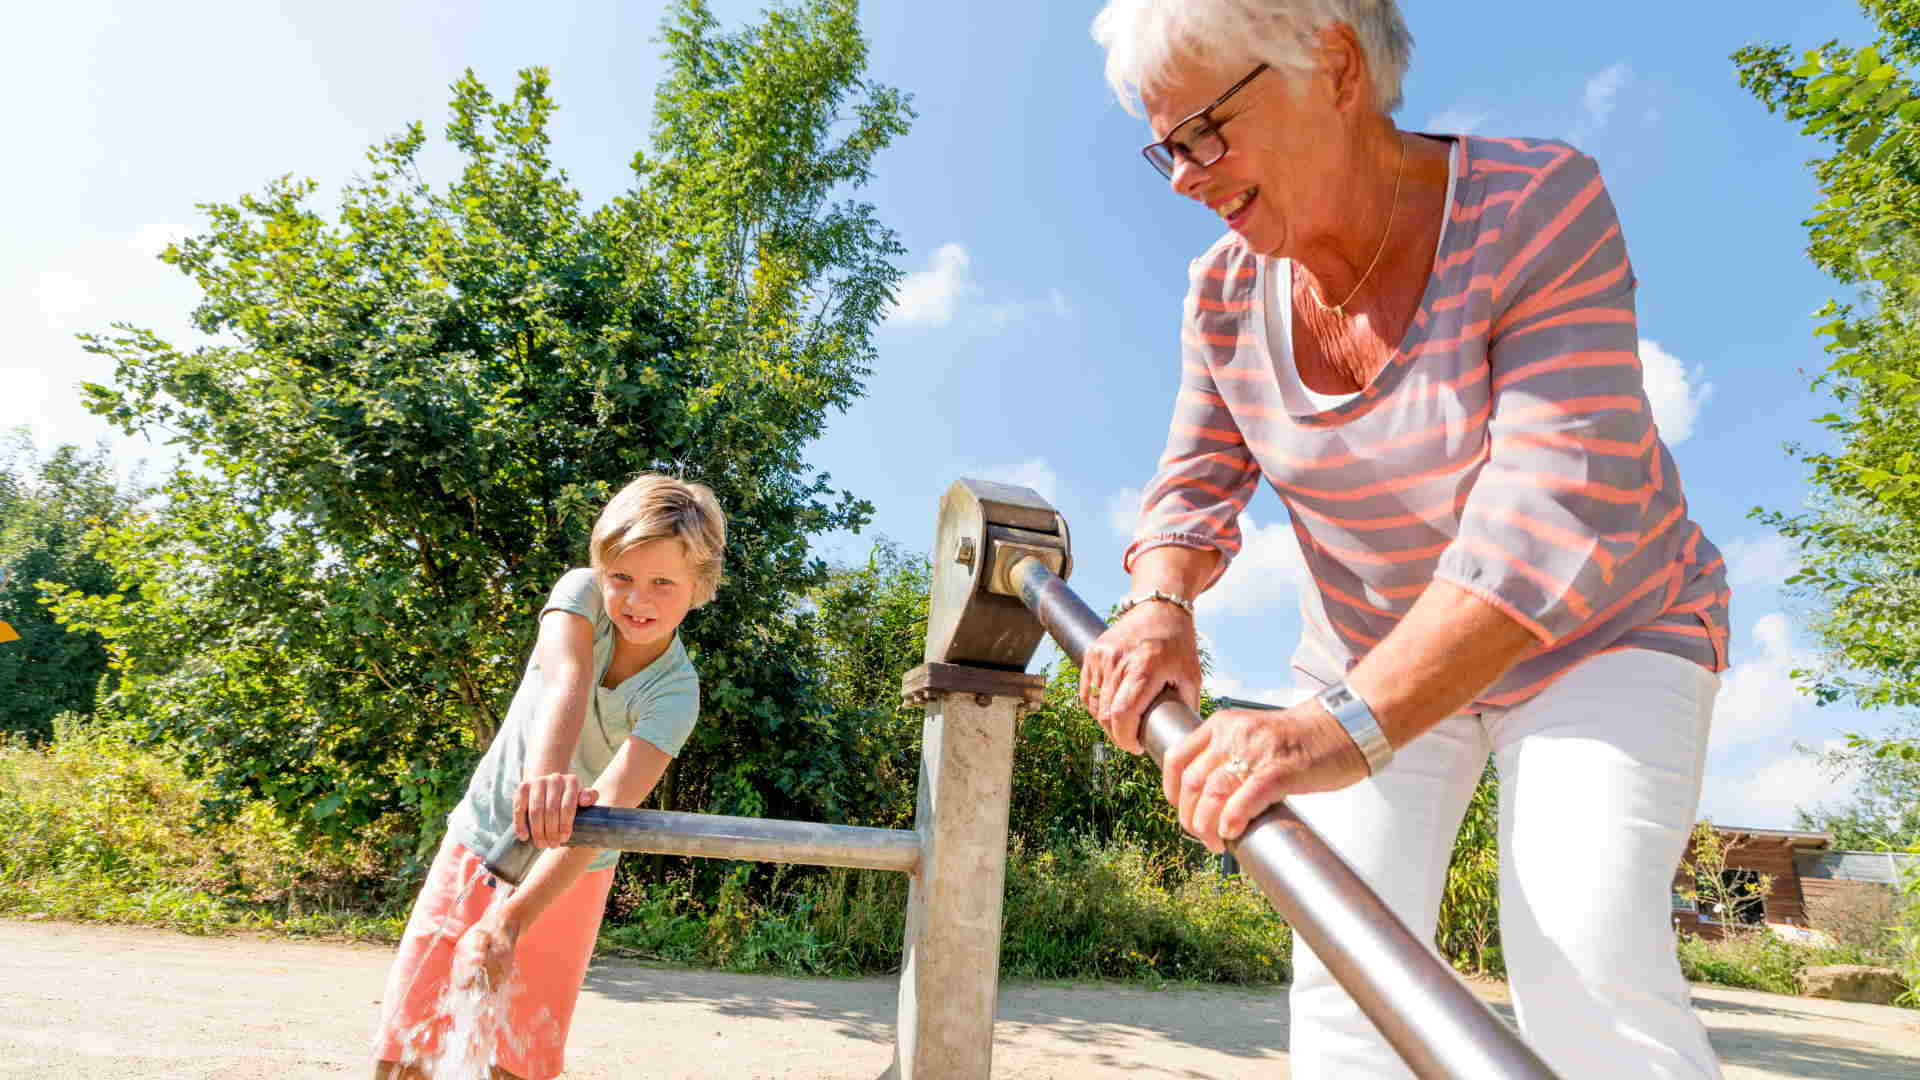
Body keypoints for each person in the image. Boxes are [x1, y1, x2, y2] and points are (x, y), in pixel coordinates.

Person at [1081, 3, 1730, 1077]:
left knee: (1581, 951)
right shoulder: (1224, 294)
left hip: (1602, 632)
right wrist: (1160, 600)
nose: (1187, 177)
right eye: (1168, 149)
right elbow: (1194, 482)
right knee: (1349, 977)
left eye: (1205, 130)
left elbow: (1542, 520)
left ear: (1332, 65)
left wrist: (1321, 737)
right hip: (1369, 649)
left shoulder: (1535, 205)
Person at [370, 473, 727, 1080]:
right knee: (412, 1044)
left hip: (572, 875)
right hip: (482, 840)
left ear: (700, 587)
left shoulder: (675, 693)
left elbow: (611, 812)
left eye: (662, 583)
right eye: (623, 578)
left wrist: (512, 920)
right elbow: (566, 675)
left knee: (518, 1059)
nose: (637, 600)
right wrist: (545, 779)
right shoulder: (582, 593)